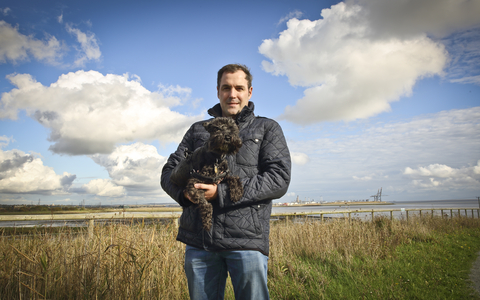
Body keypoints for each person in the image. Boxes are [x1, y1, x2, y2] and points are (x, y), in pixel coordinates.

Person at [161, 63, 291, 300]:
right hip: (201, 242)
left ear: (249, 92)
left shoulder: (266, 128)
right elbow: (168, 173)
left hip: (246, 243)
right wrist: (184, 196)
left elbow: (278, 179)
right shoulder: (197, 130)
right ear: (218, 91)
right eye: (226, 88)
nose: (232, 94)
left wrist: (219, 194)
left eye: (239, 88)